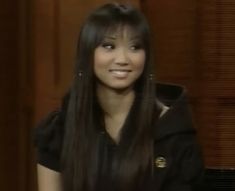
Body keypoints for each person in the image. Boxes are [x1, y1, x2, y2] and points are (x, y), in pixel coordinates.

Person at [34, 2, 205, 191]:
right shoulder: (60, 130)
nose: (123, 59)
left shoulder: (172, 132)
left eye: (135, 47)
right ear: (88, 54)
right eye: (109, 46)